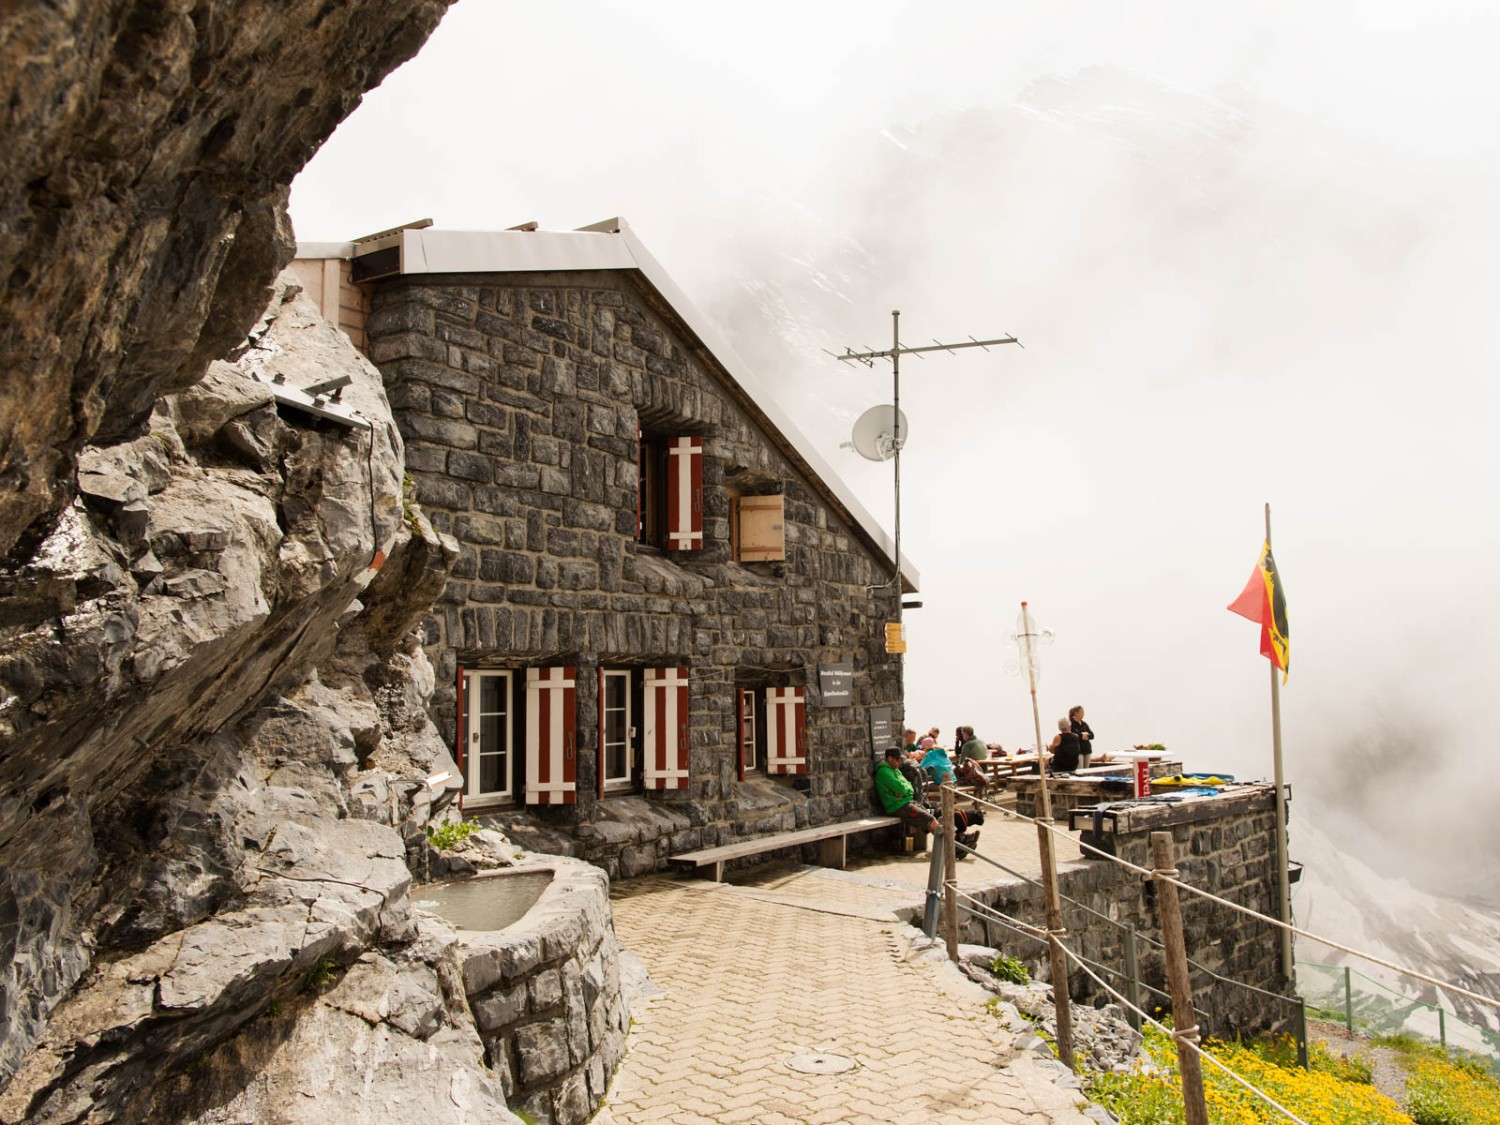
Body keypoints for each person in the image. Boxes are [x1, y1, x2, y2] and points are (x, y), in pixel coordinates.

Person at [875, 748, 940, 836]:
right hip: (897, 806)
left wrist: (904, 792)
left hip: (906, 802)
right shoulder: (883, 772)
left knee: (931, 822)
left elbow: (910, 787)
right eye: (898, 759)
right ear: (890, 759)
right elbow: (901, 788)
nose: (900, 762)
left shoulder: (895, 770)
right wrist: (904, 791)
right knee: (931, 821)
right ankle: (948, 846)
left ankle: (944, 846)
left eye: (901, 759)